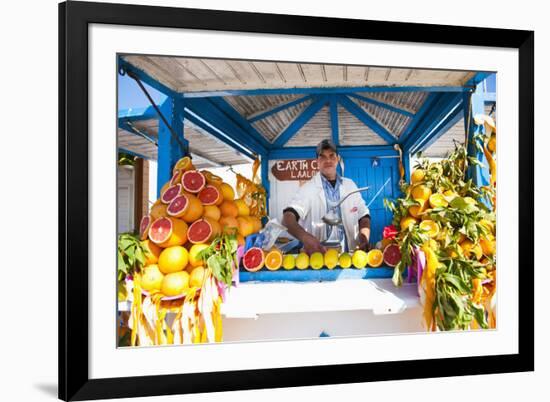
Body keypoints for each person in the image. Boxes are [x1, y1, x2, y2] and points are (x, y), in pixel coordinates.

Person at [282, 139, 371, 255]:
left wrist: (364, 238)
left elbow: (363, 215)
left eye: (331, 155)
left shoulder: (350, 185)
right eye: (322, 157)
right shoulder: (308, 188)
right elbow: (287, 218)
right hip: (319, 260)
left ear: (337, 159)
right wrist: (305, 238)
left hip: (351, 257)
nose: (328, 160)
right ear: (317, 162)